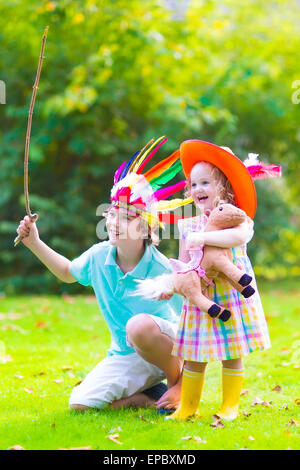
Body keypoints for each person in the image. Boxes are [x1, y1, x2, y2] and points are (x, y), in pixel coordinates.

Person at [16, 137, 193, 412]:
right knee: (80, 404)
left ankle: (175, 385)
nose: (114, 222)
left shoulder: (163, 269)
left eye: (127, 217)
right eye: (112, 214)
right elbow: (66, 272)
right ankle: (149, 396)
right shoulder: (99, 256)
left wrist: (183, 381)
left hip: (166, 347)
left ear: (147, 228)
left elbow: (190, 325)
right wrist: (35, 243)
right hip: (127, 354)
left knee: (139, 326)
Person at [165, 140, 280, 421]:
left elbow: (237, 239)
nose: (197, 190)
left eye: (205, 182)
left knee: (232, 351)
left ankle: (230, 405)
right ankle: (189, 407)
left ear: (224, 185)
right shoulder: (187, 225)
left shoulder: (237, 219)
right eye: (193, 185)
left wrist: (203, 238)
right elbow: (182, 261)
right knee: (194, 355)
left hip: (231, 294)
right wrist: (181, 280)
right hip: (202, 296)